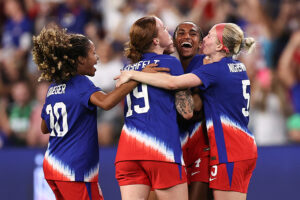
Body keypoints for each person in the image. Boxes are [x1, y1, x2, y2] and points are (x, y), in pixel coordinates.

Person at [116, 22, 258, 200]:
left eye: (207, 36)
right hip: (232, 146)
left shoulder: (209, 67)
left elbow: (174, 85)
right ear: (174, 41)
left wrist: (132, 74)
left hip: (220, 149)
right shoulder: (234, 66)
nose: (204, 38)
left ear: (220, 46)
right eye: (180, 32)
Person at [32, 24, 160, 200]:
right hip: (73, 169)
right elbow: (106, 103)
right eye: (92, 53)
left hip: (52, 165)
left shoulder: (53, 87)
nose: (97, 57)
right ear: (80, 60)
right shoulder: (80, 83)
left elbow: (44, 127)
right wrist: (136, 77)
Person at [114, 16, 194, 200]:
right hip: (161, 149)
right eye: (164, 28)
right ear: (156, 41)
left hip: (127, 152)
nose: (169, 31)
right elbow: (187, 111)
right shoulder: (170, 63)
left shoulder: (129, 69)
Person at [173, 21, 212, 200]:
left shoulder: (207, 63)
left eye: (193, 33)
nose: (186, 36)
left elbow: (196, 106)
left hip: (201, 143)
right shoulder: (166, 65)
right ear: (173, 41)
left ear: (201, 42)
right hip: (172, 145)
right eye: (181, 33)